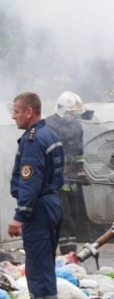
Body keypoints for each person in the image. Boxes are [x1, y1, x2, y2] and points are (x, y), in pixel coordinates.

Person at [8, 92, 64, 299]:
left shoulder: (32, 140)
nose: (14, 116)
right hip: (51, 203)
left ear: (29, 112)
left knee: (39, 269)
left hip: (39, 208)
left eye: (17, 111)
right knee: (41, 266)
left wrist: (19, 216)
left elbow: (30, 182)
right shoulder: (49, 134)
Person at [45, 91, 90, 255]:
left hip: (71, 180)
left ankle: (67, 251)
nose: (74, 116)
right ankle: (68, 253)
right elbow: (43, 152)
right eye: (72, 113)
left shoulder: (77, 126)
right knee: (64, 218)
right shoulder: (48, 125)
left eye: (76, 113)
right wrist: (57, 168)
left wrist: (80, 172)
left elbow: (79, 152)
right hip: (54, 181)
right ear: (63, 109)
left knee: (73, 214)